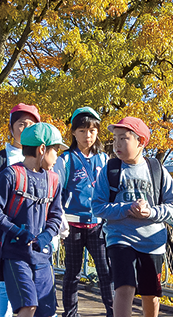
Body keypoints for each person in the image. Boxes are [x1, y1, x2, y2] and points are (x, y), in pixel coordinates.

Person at [92, 117, 173, 317]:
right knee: (124, 287)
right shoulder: (110, 170)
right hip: (119, 237)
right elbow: (97, 206)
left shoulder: (156, 169)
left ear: (141, 142)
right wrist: (125, 209)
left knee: (151, 294)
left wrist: (151, 212)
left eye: (123, 138)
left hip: (152, 241)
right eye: (115, 138)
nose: (117, 144)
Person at [0, 122, 65, 317]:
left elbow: (56, 215)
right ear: (42, 149)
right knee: (27, 306)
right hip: (15, 255)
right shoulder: (10, 175)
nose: (57, 156)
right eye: (56, 150)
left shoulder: (53, 180)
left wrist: (46, 236)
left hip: (42, 257)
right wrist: (18, 232)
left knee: (46, 311)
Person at [0, 103, 40, 317]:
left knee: (35, 277)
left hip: (35, 230)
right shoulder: (2, 157)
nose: (25, 129)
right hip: (6, 230)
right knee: (5, 281)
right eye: (21, 124)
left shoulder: (43, 157)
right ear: (11, 127)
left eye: (31, 125)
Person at [53, 107, 113, 317]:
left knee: (106, 271)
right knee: (72, 273)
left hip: (98, 224)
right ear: (73, 132)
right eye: (82, 130)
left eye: (92, 130)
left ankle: (113, 312)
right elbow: (56, 193)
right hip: (72, 224)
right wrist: (59, 222)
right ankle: (70, 313)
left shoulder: (105, 159)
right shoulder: (65, 159)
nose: (87, 135)